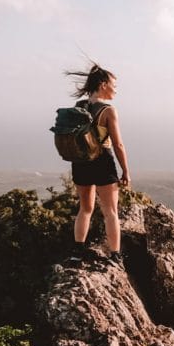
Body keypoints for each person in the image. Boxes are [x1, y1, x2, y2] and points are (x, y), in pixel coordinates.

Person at [64, 62, 130, 258]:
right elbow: (118, 145)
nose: (116, 90)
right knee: (111, 212)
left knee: (85, 209)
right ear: (103, 84)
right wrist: (125, 171)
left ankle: (77, 252)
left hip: (80, 162)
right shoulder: (109, 111)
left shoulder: (79, 106)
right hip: (103, 162)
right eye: (114, 86)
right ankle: (115, 255)